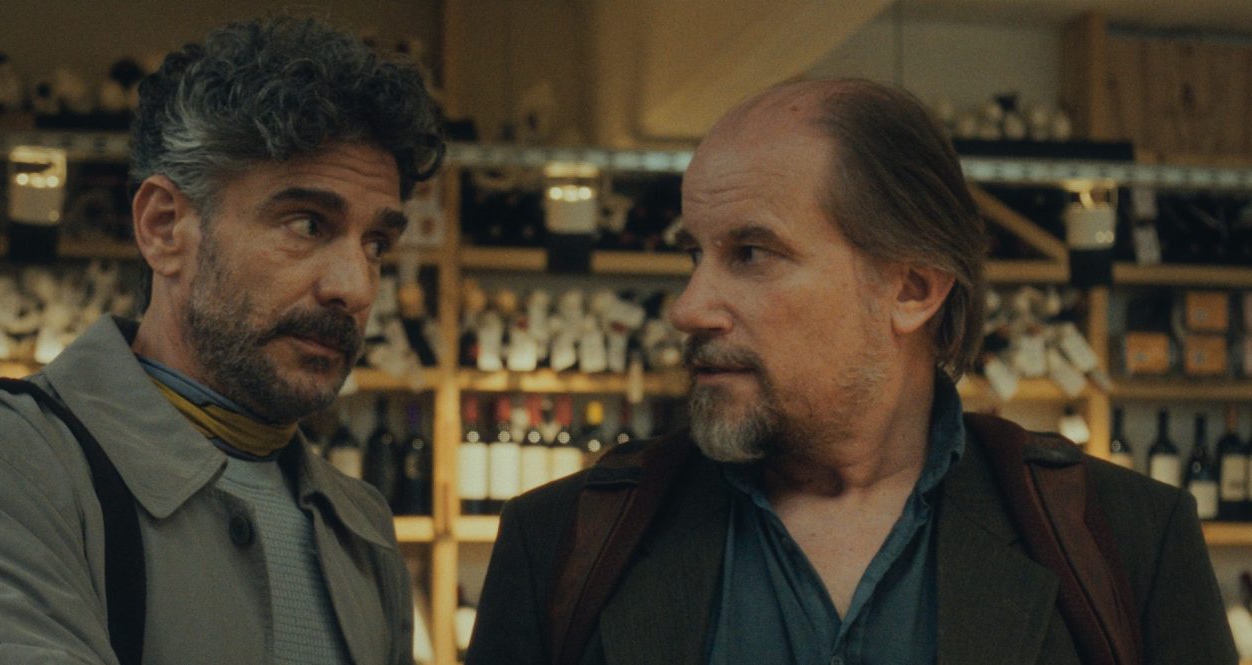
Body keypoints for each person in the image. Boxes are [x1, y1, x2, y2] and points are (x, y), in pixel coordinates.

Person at [466, 78, 1235, 665]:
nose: (688, 306)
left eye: (751, 253)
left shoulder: (1129, 543)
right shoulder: (560, 544)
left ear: (912, 289)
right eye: (693, 254)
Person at [0, 17, 442, 665]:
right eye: (307, 224)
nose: (356, 286)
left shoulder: (361, 528)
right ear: (164, 226)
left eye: (377, 244)